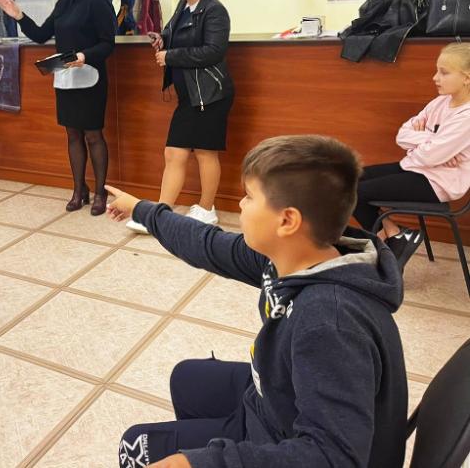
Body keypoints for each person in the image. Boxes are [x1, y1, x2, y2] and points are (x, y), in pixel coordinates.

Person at [105, 135, 407, 468]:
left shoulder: (329, 321)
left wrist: (202, 463)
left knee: (135, 447)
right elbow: (207, 244)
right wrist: (142, 210)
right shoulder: (295, 257)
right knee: (186, 378)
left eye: (249, 196)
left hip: (285, 435)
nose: (240, 204)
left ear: (287, 220)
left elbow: (333, 457)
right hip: (277, 397)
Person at [0, 0, 116, 215]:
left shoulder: (97, 1)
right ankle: (79, 190)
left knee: (93, 135)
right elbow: (41, 35)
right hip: (65, 78)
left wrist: (85, 56)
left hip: (91, 77)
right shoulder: (63, 4)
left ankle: (100, 192)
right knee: (72, 133)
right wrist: (19, 16)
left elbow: (108, 43)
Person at [127, 0, 234, 234]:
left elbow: (214, 51)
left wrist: (171, 56)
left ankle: (207, 209)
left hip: (210, 94)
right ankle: (160, 214)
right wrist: (162, 38)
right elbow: (173, 33)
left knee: (205, 152)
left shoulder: (214, 11)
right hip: (190, 96)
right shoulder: (184, 6)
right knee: (174, 153)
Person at [353, 42, 470, 268]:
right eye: (436, 71)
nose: (435, 78)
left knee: (355, 192)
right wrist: (433, 141)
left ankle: (388, 245)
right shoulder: (440, 102)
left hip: (439, 182)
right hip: (418, 168)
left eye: (444, 72)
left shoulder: (466, 116)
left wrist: (428, 147)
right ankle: (395, 235)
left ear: (466, 78)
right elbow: (402, 135)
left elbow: (429, 156)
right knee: (347, 179)